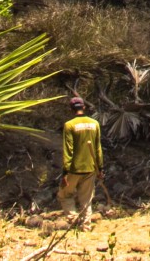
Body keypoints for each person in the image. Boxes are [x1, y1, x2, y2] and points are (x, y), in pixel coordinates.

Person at [57, 96, 103, 224]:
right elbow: (98, 148)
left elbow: (68, 150)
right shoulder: (95, 124)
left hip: (74, 169)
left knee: (64, 195)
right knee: (86, 199)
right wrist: (100, 168)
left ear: (71, 109)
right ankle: (86, 225)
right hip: (91, 168)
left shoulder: (69, 125)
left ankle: (74, 219)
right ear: (84, 107)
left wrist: (65, 172)